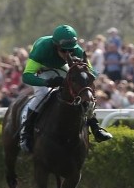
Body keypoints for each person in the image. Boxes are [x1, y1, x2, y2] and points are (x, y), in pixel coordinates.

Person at [18, 24, 113, 152]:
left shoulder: (77, 50)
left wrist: (84, 74)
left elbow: (93, 73)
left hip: (61, 67)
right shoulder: (42, 48)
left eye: (71, 50)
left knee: (82, 91)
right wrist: (47, 82)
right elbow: (26, 76)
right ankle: (26, 132)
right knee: (41, 95)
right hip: (41, 68)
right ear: (56, 46)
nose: (67, 53)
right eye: (64, 50)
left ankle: (95, 127)